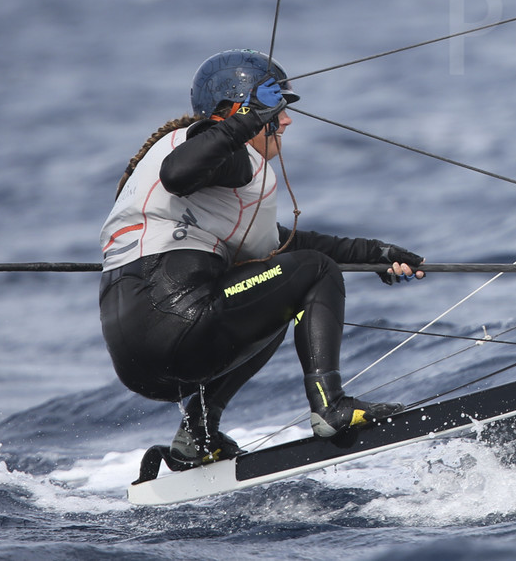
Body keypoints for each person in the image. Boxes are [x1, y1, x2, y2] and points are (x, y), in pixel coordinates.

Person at [99, 49, 427, 469]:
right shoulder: (221, 152)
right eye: (278, 108)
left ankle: (196, 436)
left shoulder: (204, 165)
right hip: (177, 323)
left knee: (281, 289)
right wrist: (249, 120)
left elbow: (284, 247)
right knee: (313, 271)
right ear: (236, 111)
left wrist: (376, 254)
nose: (285, 121)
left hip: (136, 359)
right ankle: (331, 407)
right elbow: (177, 174)